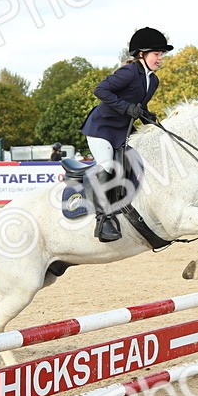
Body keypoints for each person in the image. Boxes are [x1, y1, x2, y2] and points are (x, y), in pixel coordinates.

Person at [80, 26, 171, 242]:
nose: (160, 58)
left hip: (122, 133)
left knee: (136, 163)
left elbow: (140, 107)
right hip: (102, 129)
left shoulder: (153, 80)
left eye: (161, 54)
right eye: (156, 54)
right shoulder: (129, 72)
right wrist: (126, 108)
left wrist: (153, 121)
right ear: (141, 54)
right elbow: (100, 90)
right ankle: (103, 220)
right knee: (108, 167)